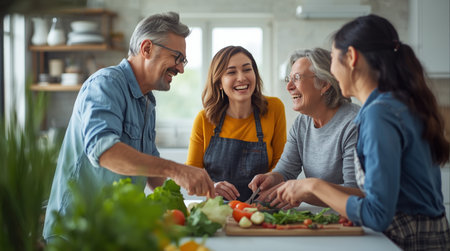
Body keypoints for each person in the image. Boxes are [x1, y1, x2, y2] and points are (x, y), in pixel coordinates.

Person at [274, 15, 450, 250]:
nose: (332, 71)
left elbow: (377, 213)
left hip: (408, 239)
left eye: (333, 59)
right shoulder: (394, 103)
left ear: (352, 57)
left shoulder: (379, 114)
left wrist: (312, 186)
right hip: (426, 232)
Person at [43, 12, 215, 241]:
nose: (181, 68)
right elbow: (105, 152)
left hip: (115, 233)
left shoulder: (147, 102)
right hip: (76, 235)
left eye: (183, 61)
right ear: (146, 49)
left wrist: (200, 187)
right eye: (177, 57)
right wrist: (178, 170)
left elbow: (154, 178)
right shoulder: (106, 84)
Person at [249, 48, 361, 207]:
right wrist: (272, 178)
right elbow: (286, 171)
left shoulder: (353, 123)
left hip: (349, 219)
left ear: (324, 83)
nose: (289, 86)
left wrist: (305, 192)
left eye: (296, 78)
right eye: (289, 78)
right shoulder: (302, 123)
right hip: (320, 218)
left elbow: (355, 191)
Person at [186, 46, 287, 201]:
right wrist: (210, 188)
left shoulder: (274, 108)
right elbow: (191, 178)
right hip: (218, 212)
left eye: (247, 69)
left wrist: (271, 183)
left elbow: (282, 166)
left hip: (261, 210)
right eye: (231, 72)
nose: (241, 78)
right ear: (219, 82)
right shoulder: (204, 119)